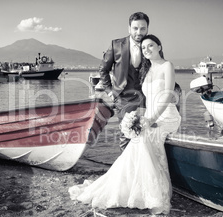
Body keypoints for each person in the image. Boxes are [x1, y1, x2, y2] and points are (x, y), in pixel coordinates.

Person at [69, 34, 181, 215]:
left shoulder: (167, 66)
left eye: (151, 46)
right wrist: (139, 116)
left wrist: (151, 119)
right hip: (151, 115)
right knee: (137, 141)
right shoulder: (148, 70)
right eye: (144, 48)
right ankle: (130, 188)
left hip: (167, 116)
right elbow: (147, 98)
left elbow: (167, 95)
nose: (147, 50)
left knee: (141, 138)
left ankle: (147, 193)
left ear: (159, 46)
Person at [95, 12, 149, 151]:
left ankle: (139, 167)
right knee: (126, 134)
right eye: (135, 28)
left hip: (147, 97)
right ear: (129, 28)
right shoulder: (116, 45)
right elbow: (103, 69)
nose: (139, 32)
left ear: (147, 29)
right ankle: (126, 169)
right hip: (123, 97)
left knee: (145, 134)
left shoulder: (151, 45)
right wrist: (110, 91)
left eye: (143, 28)